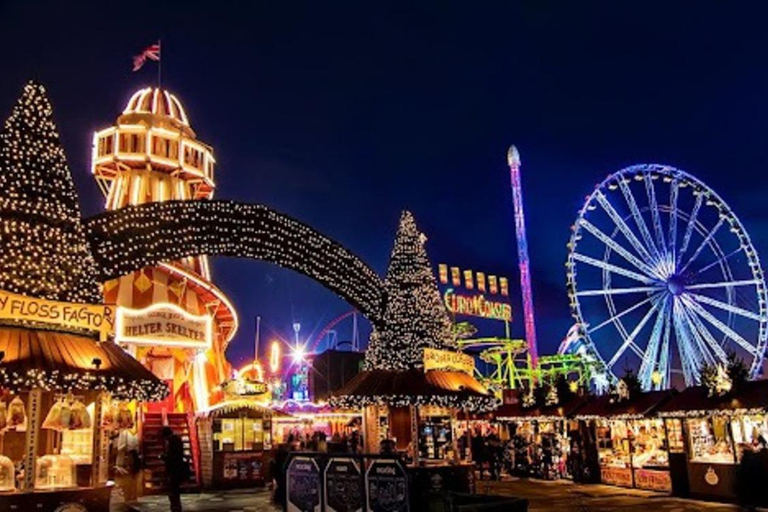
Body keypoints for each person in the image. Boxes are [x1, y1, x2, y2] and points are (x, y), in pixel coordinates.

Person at [161, 426, 187, 512]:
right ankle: (176, 507)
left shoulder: (171, 442)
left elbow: (171, 456)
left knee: (173, 489)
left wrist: (163, 457)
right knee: (175, 489)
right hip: (178, 467)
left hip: (173, 468)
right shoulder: (178, 440)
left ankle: (175, 507)